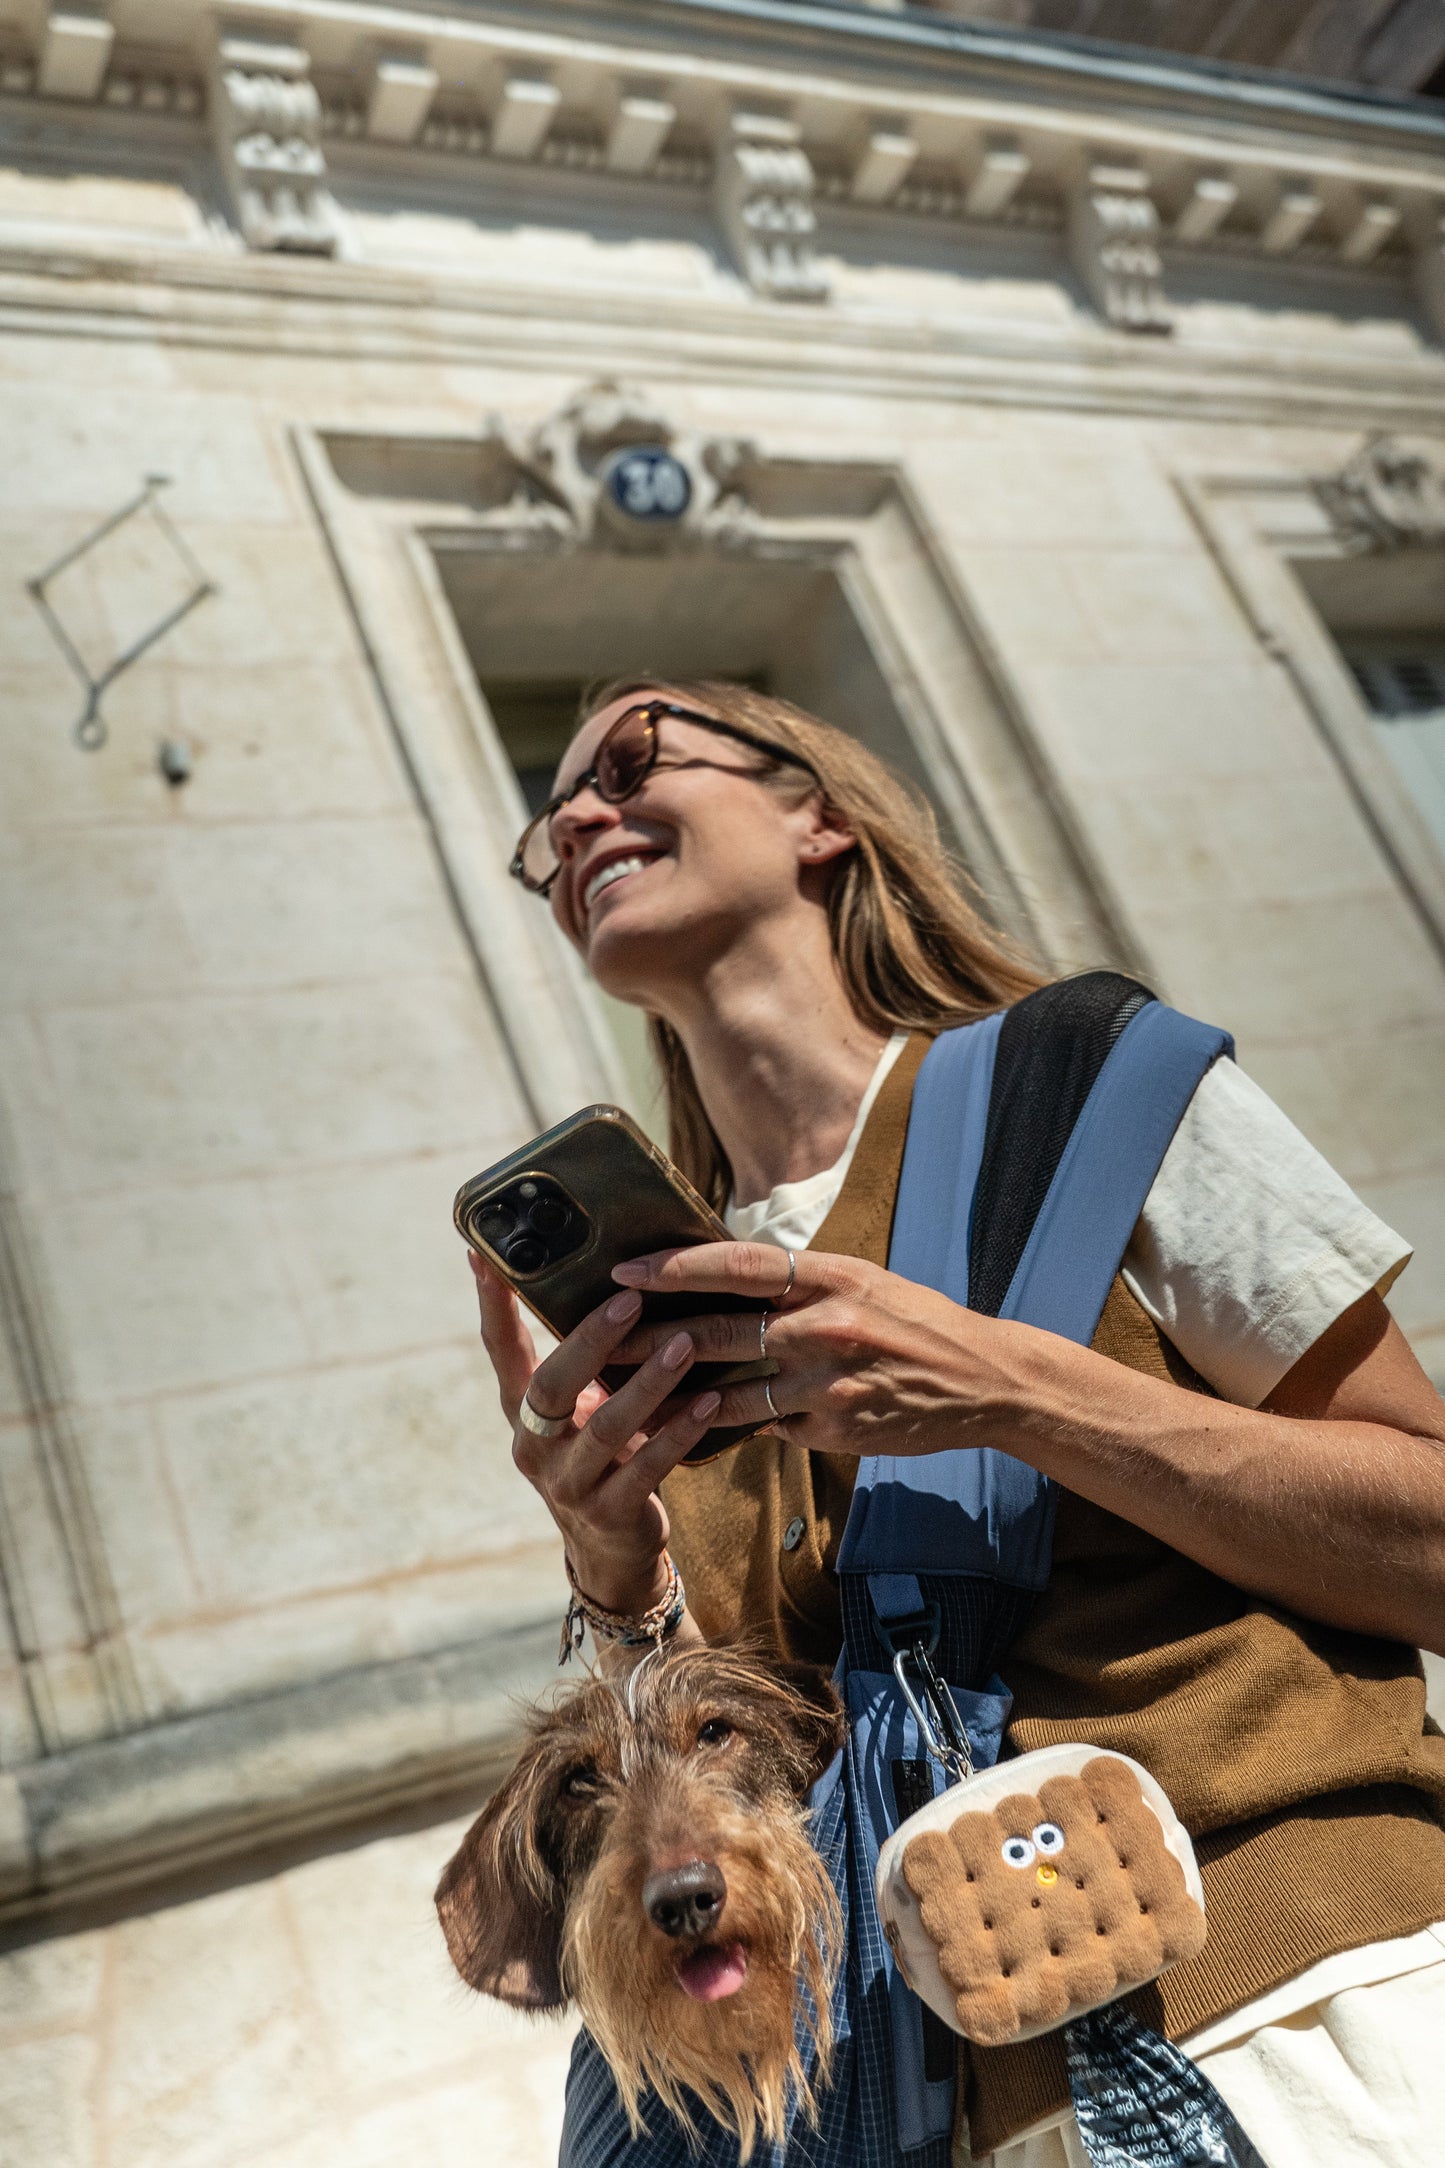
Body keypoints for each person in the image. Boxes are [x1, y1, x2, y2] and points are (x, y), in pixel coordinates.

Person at [471, 678, 1445, 2168]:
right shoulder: (666, 1308)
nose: (579, 812)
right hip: (947, 2109)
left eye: (633, 756)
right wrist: (613, 1568)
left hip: (1296, 2016)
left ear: (820, 814)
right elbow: (754, 1790)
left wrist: (1008, 1388)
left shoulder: (1093, 1088)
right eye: (554, 817)